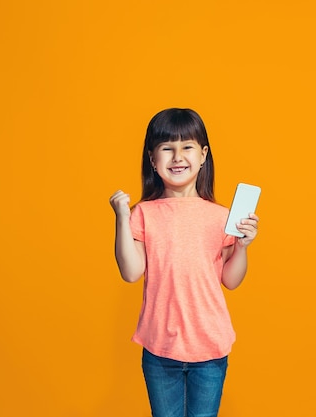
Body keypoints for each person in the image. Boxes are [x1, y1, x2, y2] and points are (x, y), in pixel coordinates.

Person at [109, 108, 259, 417]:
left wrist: (242, 247)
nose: (178, 156)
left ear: (203, 154)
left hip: (210, 347)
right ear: (152, 159)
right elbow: (131, 272)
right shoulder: (144, 214)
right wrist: (122, 218)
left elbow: (231, 280)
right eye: (167, 148)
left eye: (187, 146)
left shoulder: (221, 217)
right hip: (160, 349)